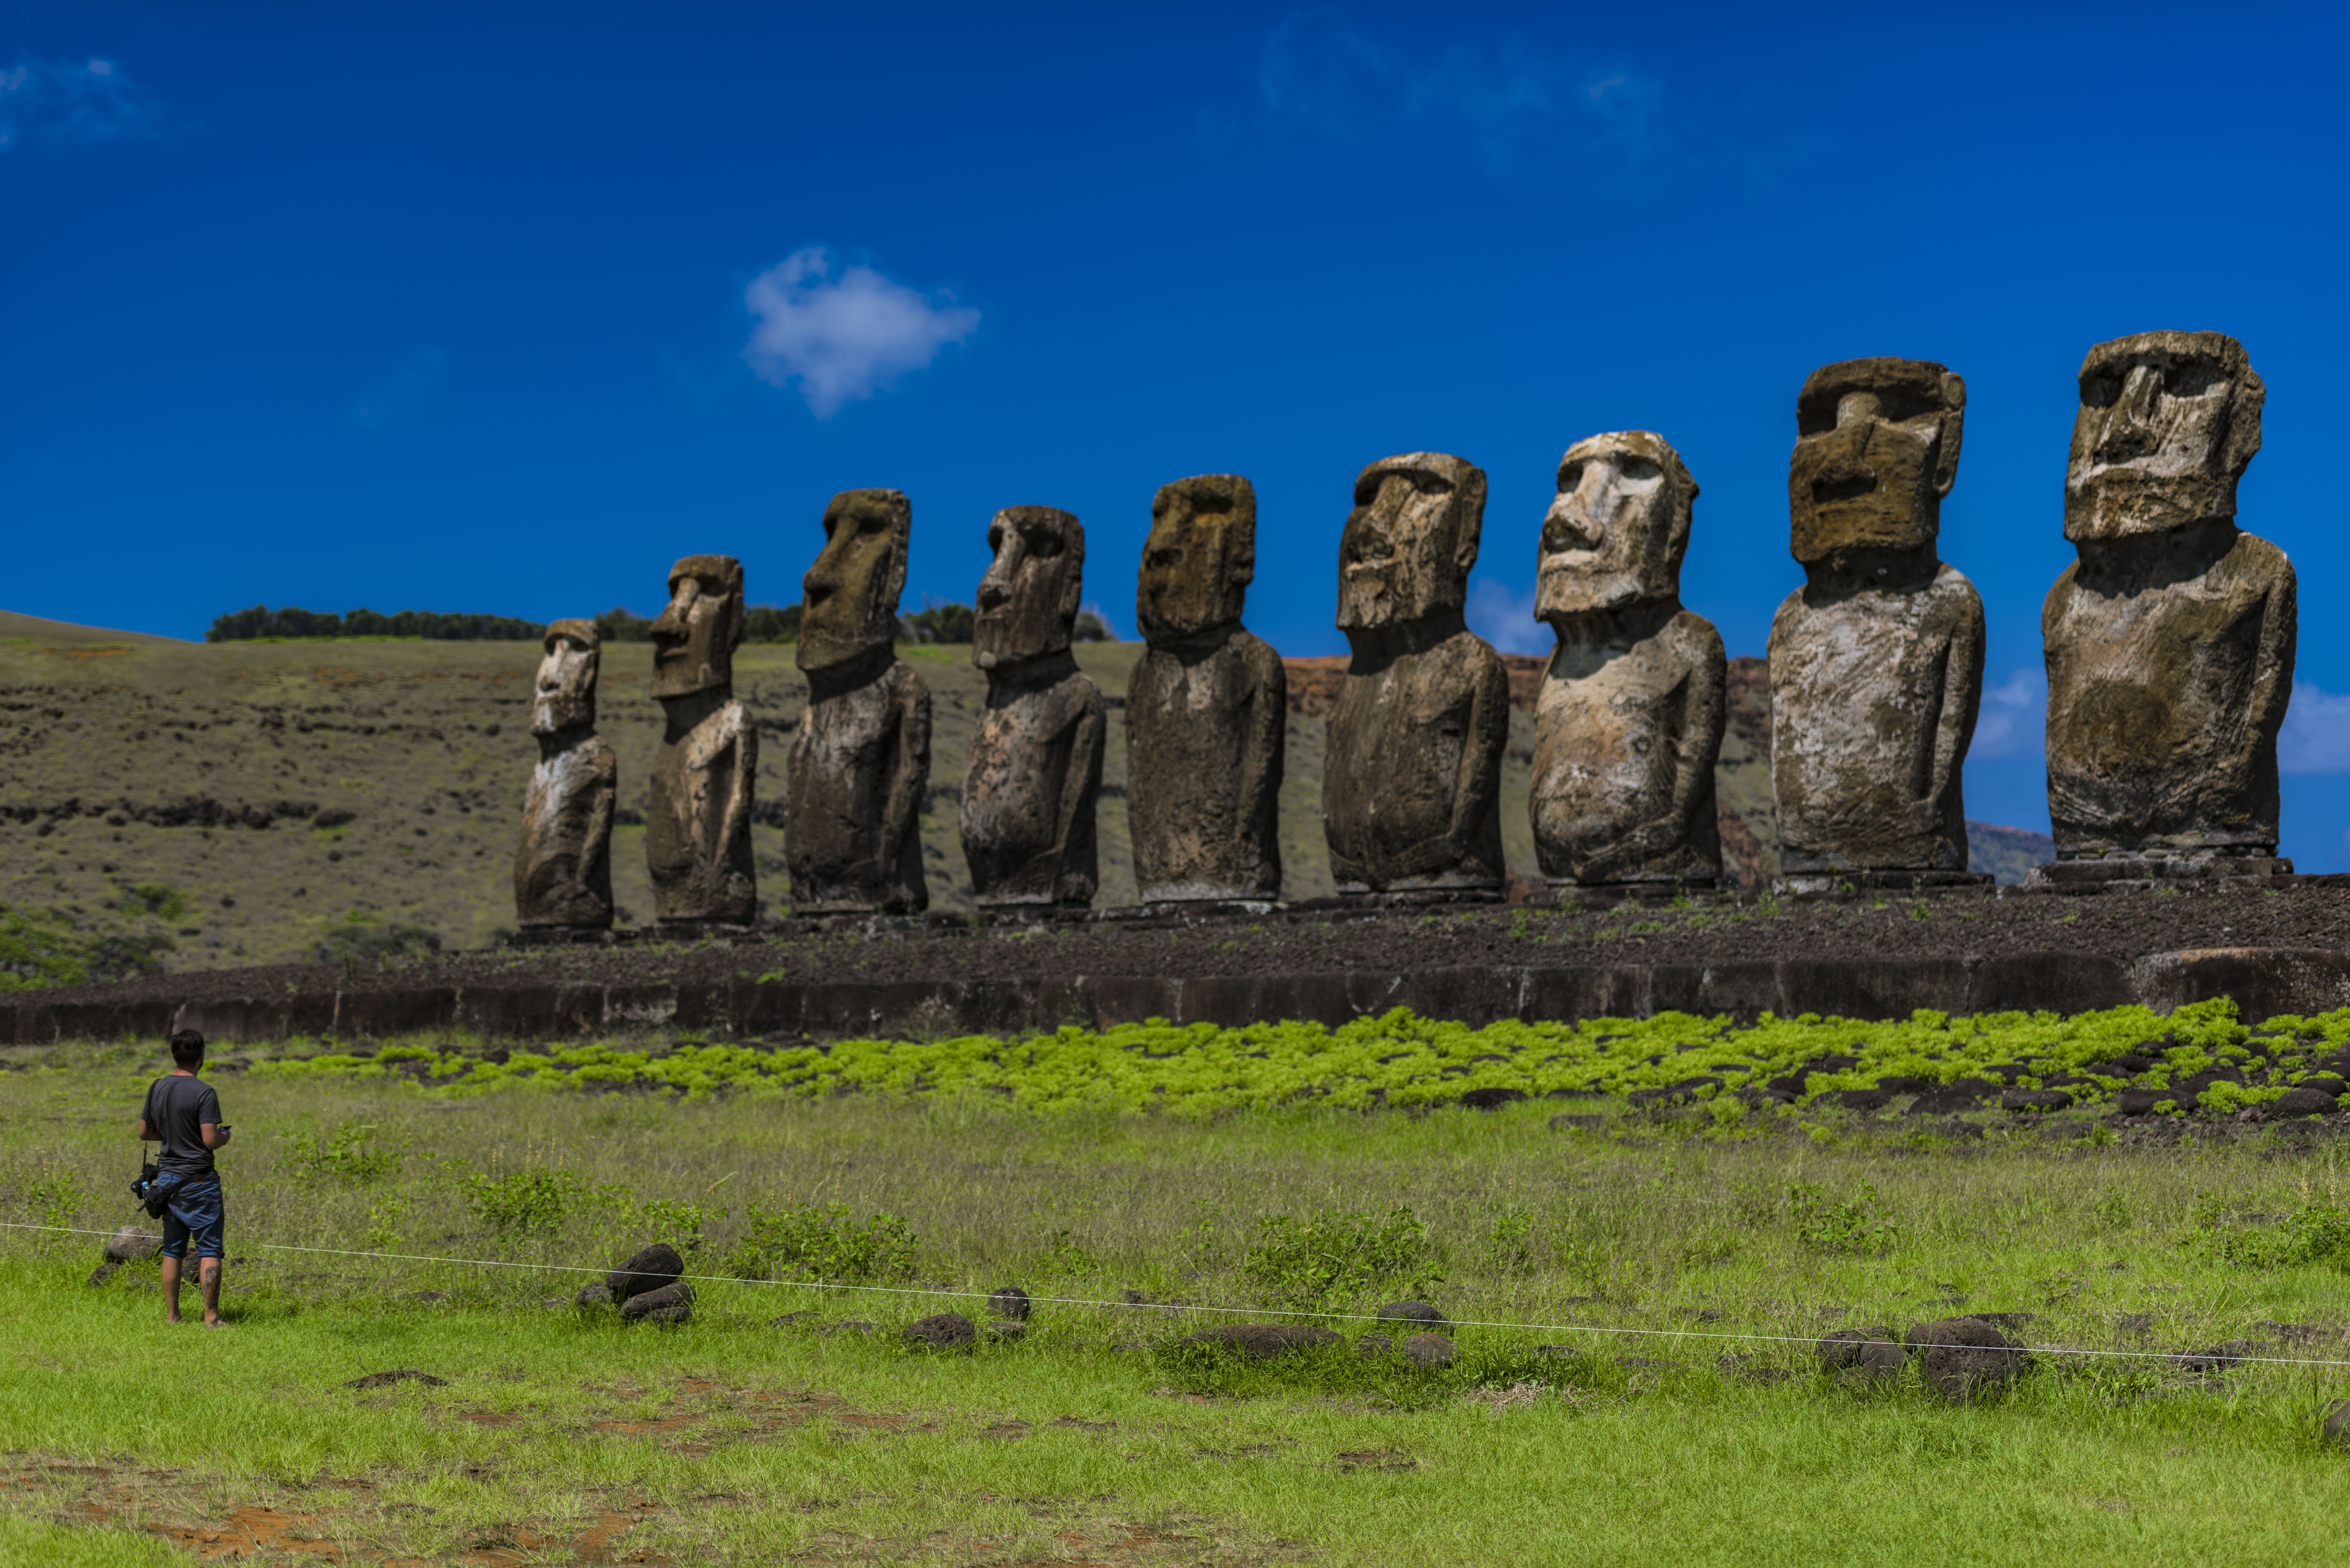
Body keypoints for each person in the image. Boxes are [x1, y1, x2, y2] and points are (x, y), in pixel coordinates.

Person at [134, 1027, 231, 1327]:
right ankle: (212, 1318)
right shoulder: (204, 1092)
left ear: (174, 1055)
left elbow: (144, 1133)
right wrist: (225, 1136)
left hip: (167, 1183)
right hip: (199, 1183)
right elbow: (210, 1140)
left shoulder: (157, 1087)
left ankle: (173, 1315)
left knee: (173, 1250)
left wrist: (173, 1134)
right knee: (210, 1250)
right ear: (202, 1056)